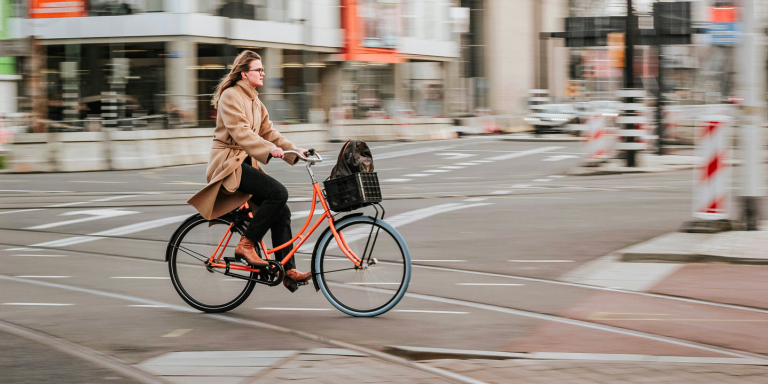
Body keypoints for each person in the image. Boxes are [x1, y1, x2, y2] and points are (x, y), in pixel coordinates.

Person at [187, 50, 311, 291]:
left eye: (263, 69)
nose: (263, 73)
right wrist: (269, 149)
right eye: (258, 69)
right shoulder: (231, 96)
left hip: (244, 164)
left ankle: (287, 269)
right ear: (244, 74)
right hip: (228, 164)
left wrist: (296, 151)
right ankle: (246, 245)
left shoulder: (255, 100)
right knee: (278, 192)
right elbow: (241, 133)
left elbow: (269, 133)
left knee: (282, 211)